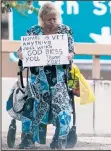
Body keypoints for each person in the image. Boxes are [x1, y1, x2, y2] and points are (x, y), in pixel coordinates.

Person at [17, 2, 75, 149]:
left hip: (59, 77)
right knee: (32, 107)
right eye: (49, 19)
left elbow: (72, 50)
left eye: (54, 19)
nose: (52, 22)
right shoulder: (33, 31)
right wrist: (22, 54)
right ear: (42, 18)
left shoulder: (65, 30)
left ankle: (58, 139)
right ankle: (28, 139)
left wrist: (69, 55)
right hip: (38, 77)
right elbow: (21, 50)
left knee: (62, 108)